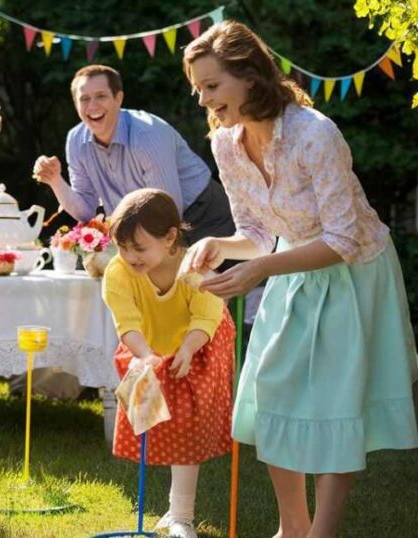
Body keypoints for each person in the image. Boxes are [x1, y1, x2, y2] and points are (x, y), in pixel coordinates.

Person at [183, 20, 418, 537]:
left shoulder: (315, 134)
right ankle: (292, 526)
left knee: (336, 401)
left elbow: (342, 240)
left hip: (354, 274)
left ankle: (321, 534)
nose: (204, 100)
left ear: (249, 76)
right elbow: (256, 230)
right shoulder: (226, 144)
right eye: (198, 89)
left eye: (212, 86)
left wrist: (261, 269)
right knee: (271, 389)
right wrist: (218, 246)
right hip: (292, 269)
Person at [101, 188, 235, 538]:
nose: (129, 256)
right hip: (148, 346)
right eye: (122, 247)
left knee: (186, 429)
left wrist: (189, 350)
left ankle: (182, 516)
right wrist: (145, 356)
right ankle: (173, 507)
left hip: (199, 344)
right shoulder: (118, 272)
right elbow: (126, 322)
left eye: (139, 248)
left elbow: (206, 317)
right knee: (154, 424)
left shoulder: (195, 268)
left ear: (170, 237)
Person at [33, 64, 235, 246]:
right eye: (84, 99)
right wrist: (55, 180)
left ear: (118, 98)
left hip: (204, 215)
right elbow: (86, 211)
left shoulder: (148, 134)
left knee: (230, 286)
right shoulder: (76, 140)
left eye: (101, 96)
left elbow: (168, 211)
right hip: (149, 225)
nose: (92, 106)